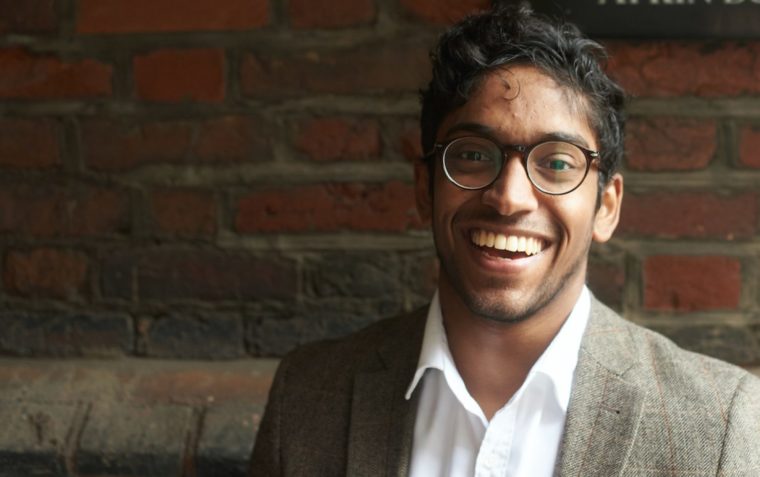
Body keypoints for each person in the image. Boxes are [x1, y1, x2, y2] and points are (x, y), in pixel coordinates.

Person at [249, 4, 760, 476]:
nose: (510, 198)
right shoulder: (307, 397)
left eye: (557, 162)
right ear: (424, 189)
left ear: (607, 207)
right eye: (473, 154)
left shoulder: (720, 425)